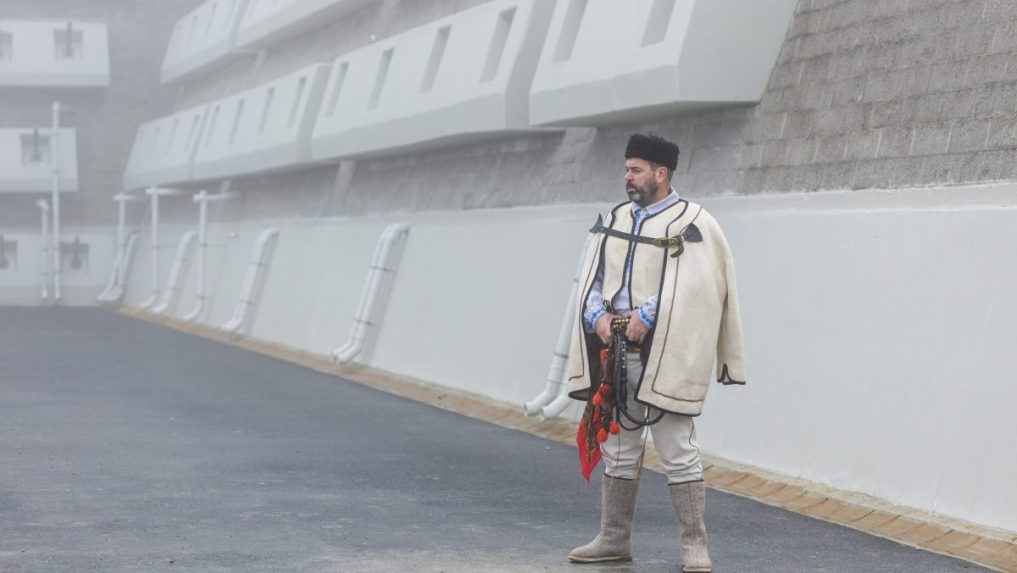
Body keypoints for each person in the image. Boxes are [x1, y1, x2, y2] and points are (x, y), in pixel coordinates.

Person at [565, 133, 747, 573]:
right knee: (621, 449)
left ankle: (694, 546)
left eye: (636, 169)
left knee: (677, 448)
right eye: (627, 169)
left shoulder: (694, 221)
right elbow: (591, 276)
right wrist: (598, 316)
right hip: (614, 352)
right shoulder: (613, 218)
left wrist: (649, 312)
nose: (627, 177)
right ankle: (614, 539)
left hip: (664, 350)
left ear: (661, 174)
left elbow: (700, 286)